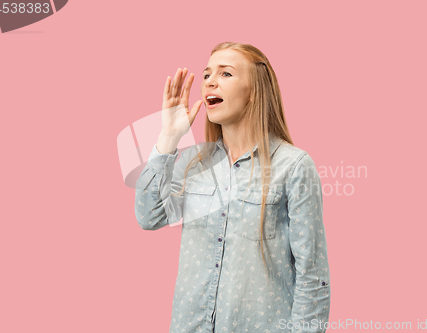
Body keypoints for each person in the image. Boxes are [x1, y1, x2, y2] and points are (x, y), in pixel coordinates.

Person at [135, 42, 330, 333]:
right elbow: (148, 216)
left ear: (254, 91)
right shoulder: (192, 162)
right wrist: (168, 139)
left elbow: (312, 276)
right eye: (206, 75)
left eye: (226, 74)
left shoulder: (294, 166)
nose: (210, 81)